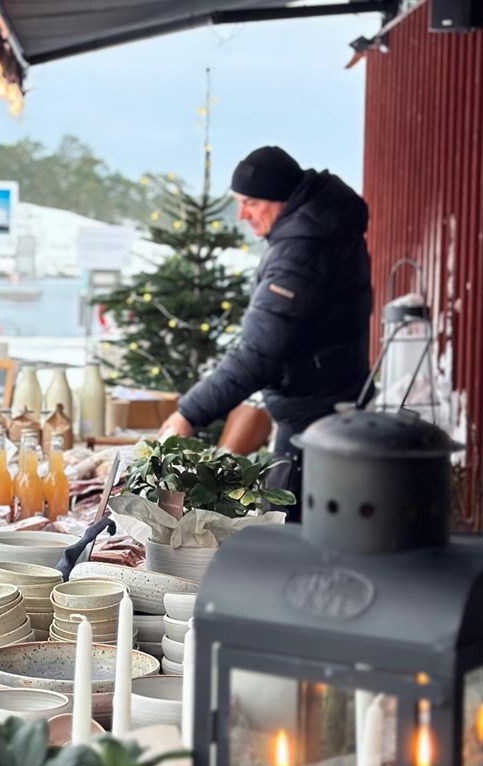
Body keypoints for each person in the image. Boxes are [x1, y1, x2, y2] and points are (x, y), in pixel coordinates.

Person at [158, 146, 372, 518]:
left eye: (251, 203)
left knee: (287, 534)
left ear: (279, 198)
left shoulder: (300, 252)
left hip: (313, 418)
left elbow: (258, 354)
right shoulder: (319, 231)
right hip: (329, 407)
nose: (242, 215)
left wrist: (188, 414)